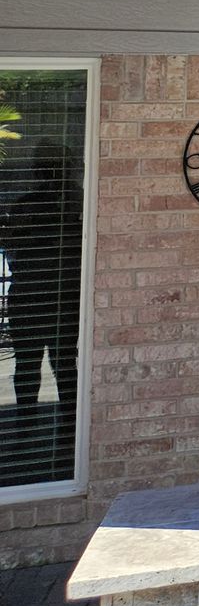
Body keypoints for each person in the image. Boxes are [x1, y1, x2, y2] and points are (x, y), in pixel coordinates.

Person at [5, 141, 83, 413]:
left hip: (57, 296)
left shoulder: (82, 203)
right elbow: (13, 251)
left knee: (58, 365)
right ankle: (30, 426)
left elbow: (13, 252)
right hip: (35, 295)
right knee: (33, 364)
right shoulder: (28, 207)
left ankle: (61, 428)